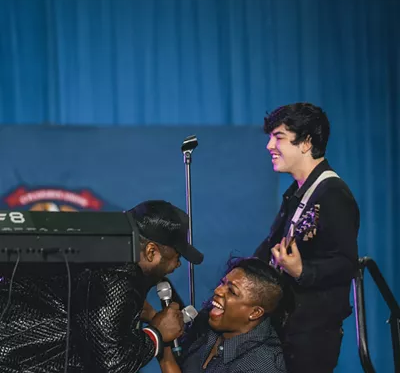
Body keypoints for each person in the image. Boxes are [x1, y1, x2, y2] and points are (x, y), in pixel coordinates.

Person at [0, 200, 204, 373]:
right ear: (151, 252)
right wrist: (157, 334)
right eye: (176, 256)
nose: (177, 264)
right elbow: (110, 364)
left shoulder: (107, 255)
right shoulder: (120, 274)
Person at [254, 103, 359, 373]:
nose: (269, 146)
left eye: (278, 137)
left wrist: (302, 271)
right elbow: (270, 245)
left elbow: (347, 263)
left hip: (311, 334)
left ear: (306, 143)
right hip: (286, 325)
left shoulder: (333, 193)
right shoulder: (298, 191)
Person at [155, 257, 287, 373]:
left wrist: (164, 352)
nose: (218, 290)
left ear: (255, 312)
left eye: (232, 291)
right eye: (223, 283)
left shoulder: (260, 366)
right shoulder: (212, 328)